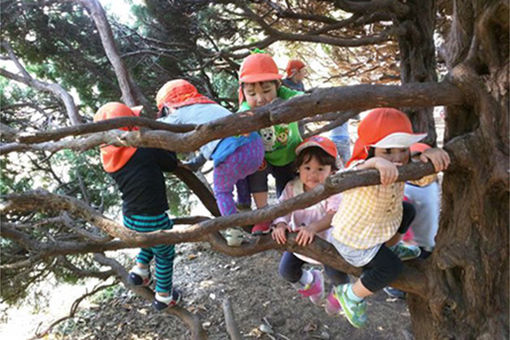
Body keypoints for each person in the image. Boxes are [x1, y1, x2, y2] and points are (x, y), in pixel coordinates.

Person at [325, 108, 450, 328]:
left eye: (402, 149)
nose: (396, 157)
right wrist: (373, 164)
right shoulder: (362, 169)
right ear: (370, 150)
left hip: (378, 229)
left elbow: (421, 178)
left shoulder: (402, 165)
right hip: (356, 241)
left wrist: (428, 156)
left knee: (408, 210)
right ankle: (351, 294)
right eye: (387, 151)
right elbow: (344, 176)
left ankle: (390, 247)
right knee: (390, 268)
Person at [94, 102, 181, 310]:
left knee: (147, 240)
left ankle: (140, 271)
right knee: (165, 251)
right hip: (152, 215)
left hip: (130, 215)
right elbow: (170, 164)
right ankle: (164, 295)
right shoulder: (144, 149)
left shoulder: (108, 156)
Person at [157, 79, 264, 247]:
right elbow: (210, 146)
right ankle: (244, 203)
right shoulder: (210, 106)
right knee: (238, 174)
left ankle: (233, 230)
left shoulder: (178, 113)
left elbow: (159, 127)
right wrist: (193, 164)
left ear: (168, 106)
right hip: (256, 148)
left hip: (232, 154)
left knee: (222, 190)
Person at [271, 136, 349, 305]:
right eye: (307, 167)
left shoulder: (333, 190)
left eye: (320, 169)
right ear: (298, 168)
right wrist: (281, 224)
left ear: (332, 171)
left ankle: (339, 297)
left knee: (338, 276)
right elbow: (281, 208)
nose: (313, 174)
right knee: (287, 272)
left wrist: (314, 227)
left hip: (329, 244)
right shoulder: (293, 188)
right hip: (300, 241)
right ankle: (312, 281)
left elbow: (333, 215)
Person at [238, 52, 303, 235]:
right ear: (243, 92)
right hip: (261, 156)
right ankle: (263, 214)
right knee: (256, 177)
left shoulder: (285, 95)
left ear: (278, 86)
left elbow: (302, 99)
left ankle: (285, 217)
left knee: (286, 187)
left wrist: (284, 104)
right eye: (252, 94)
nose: (260, 99)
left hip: (288, 153)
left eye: (266, 91)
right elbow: (240, 117)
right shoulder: (246, 108)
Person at [404, 142, 441, 258]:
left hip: (432, 243)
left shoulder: (432, 186)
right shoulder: (405, 190)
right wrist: (406, 239)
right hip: (413, 245)